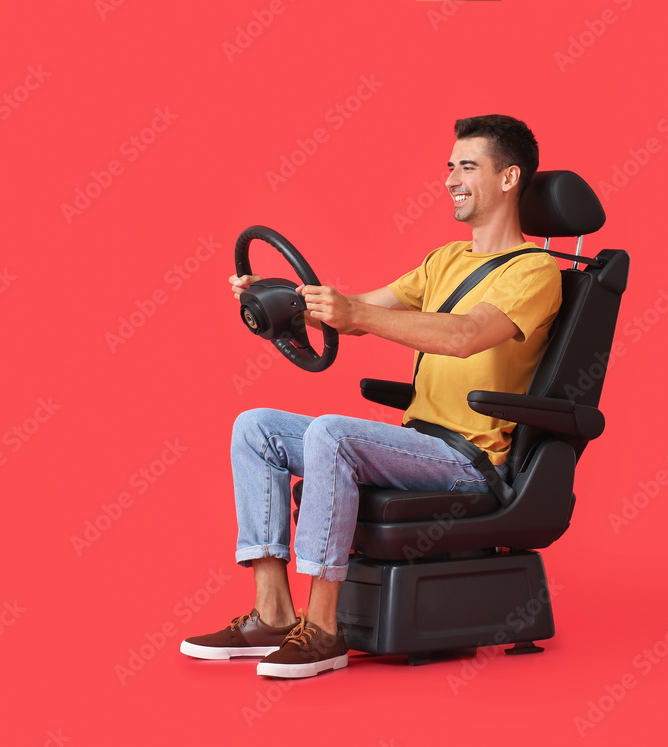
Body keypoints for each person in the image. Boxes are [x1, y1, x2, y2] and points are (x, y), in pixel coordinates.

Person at [180, 115, 562, 678]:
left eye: (468, 166)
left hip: (468, 463)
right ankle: (274, 612)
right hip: (417, 445)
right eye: (450, 166)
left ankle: (325, 630)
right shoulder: (445, 261)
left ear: (509, 179)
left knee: (331, 431)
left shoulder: (536, 272)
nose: (452, 178)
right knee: (254, 425)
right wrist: (279, 299)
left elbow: (464, 336)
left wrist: (356, 313)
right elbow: (357, 311)